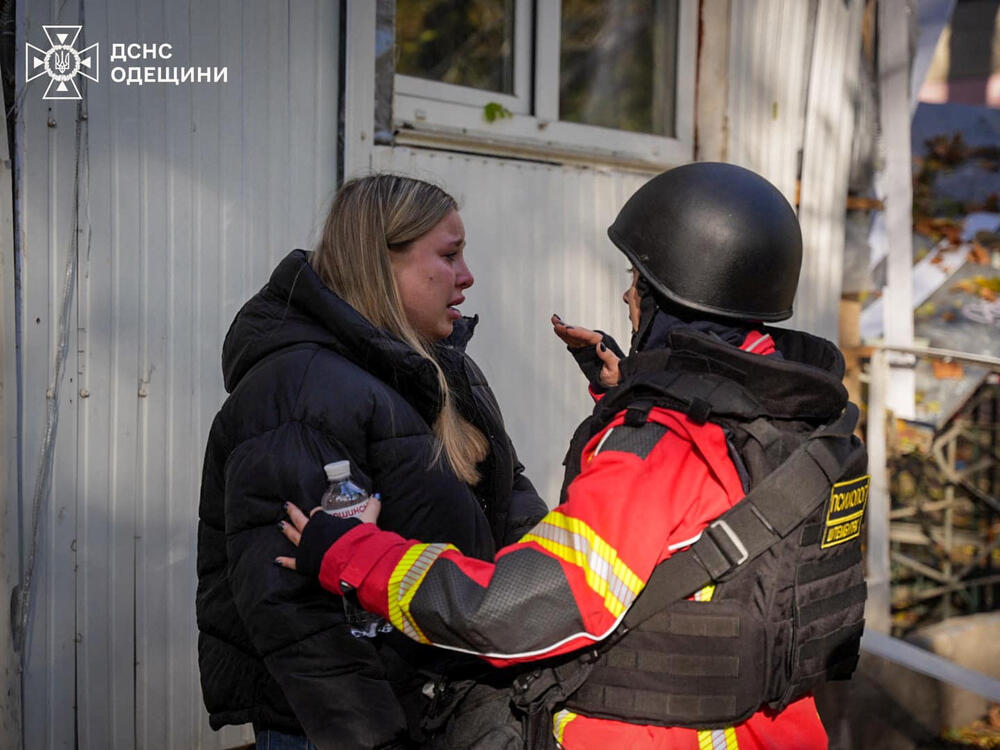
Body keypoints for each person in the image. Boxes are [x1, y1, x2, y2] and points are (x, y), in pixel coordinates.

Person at [278, 162, 870, 749]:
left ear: (670, 293)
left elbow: (516, 609)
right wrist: (632, 391)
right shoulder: (800, 421)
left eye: (637, 279)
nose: (627, 294)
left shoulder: (661, 445)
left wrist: (352, 554)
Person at [196, 174, 548, 749]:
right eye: (449, 255)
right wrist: (376, 740)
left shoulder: (442, 367)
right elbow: (293, 611)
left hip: (440, 711)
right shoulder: (300, 390)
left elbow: (505, 495)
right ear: (381, 262)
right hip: (343, 730)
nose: (466, 276)